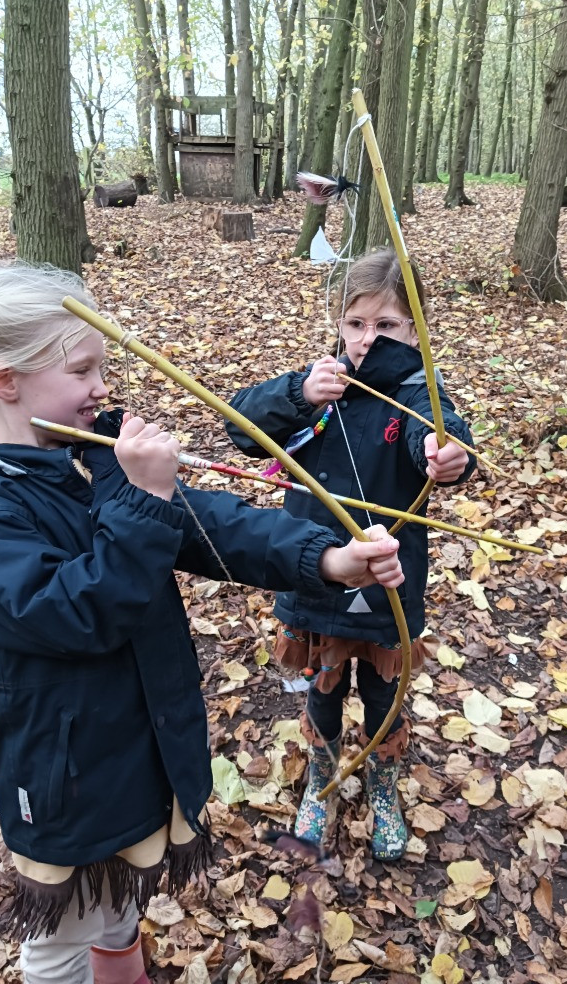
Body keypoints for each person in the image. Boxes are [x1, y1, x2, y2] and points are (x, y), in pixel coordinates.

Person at [0, 264, 404, 984]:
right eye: (83, 368)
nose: (102, 386)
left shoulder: (89, 454)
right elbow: (76, 612)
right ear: (7, 383)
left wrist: (330, 559)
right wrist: (146, 501)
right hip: (67, 769)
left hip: (135, 743)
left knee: (118, 906)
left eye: (104, 366)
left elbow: (206, 523)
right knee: (64, 940)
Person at [225, 247, 477, 862]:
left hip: (390, 585)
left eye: (386, 325)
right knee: (323, 688)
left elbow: (440, 437)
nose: (368, 340)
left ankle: (382, 780)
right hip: (315, 574)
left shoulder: (419, 393)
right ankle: (323, 778)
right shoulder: (320, 384)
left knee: (386, 695)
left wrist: (448, 456)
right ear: (338, 324)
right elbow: (241, 426)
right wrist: (298, 394)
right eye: (356, 323)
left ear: (414, 329)